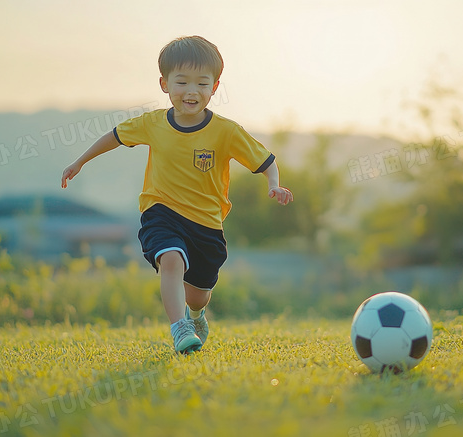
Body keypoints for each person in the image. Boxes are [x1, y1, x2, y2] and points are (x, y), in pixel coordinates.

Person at [60, 36, 293, 354]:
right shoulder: (153, 124)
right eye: (181, 81)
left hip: (207, 222)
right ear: (164, 83)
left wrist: (273, 184)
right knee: (171, 260)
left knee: (198, 294)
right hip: (161, 210)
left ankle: (195, 314)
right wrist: (79, 162)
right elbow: (114, 137)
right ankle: (179, 326)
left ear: (215, 86)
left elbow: (265, 161)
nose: (191, 91)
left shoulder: (226, 131)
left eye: (202, 82)